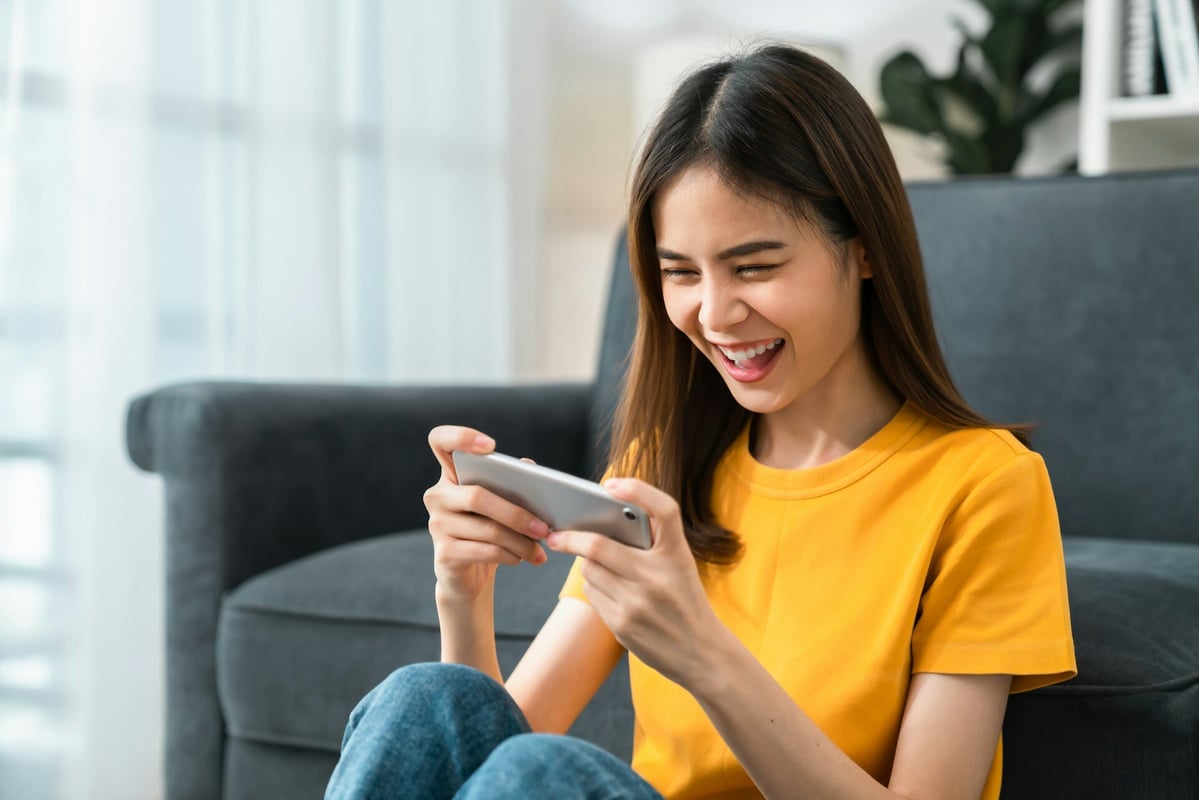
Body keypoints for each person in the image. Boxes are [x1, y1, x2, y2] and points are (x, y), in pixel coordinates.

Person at [324, 43, 1076, 800]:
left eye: (754, 267)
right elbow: (478, 757)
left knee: (544, 773)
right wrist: (464, 590)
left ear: (866, 249)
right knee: (425, 698)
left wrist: (703, 654)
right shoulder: (666, 462)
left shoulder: (984, 486)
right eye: (680, 271)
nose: (713, 314)